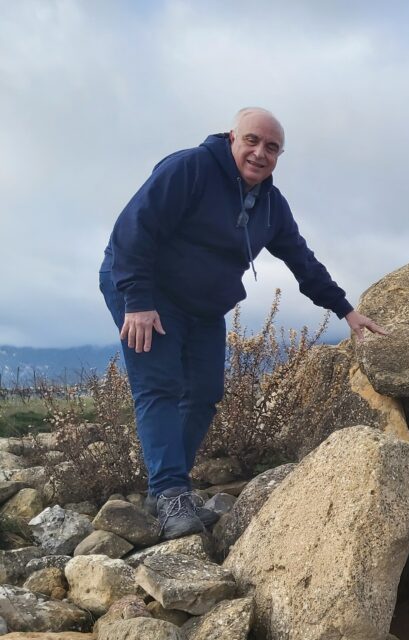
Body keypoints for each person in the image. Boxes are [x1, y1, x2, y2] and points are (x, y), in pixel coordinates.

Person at [99, 107, 386, 539]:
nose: (259, 153)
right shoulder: (190, 168)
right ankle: (172, 492)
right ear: (232, 137)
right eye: (252, 140)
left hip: (202, 305)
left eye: (272, 147)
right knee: (159, 386)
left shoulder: (271, 205)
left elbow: (302, 261)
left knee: (204, 393)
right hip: (145, 290)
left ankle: (165, 490)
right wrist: (137, 300)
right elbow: (134, 229)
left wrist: (345, 309)